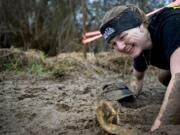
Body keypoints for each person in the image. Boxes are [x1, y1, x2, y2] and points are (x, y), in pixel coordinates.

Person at [99, 4, 180, 131]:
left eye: (122, 37)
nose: (120, 47)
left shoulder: (172, 22)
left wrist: (158, 129)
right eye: (114, 44)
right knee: (164, 76)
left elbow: (179, 79)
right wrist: (129, 93)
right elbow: (137, 78)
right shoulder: (139, 47)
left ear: (141, 26)